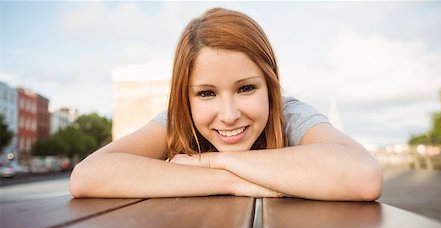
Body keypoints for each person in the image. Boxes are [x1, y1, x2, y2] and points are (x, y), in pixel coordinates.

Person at [70, 7, 382, 200]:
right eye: (206, 93)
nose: (230, 115)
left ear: (271, 85)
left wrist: (210, 161)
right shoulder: (180, 120)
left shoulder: (290, 114)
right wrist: (232, 182)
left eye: (246, 88)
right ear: (185, 96)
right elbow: (88, 176)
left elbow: (363, 177)